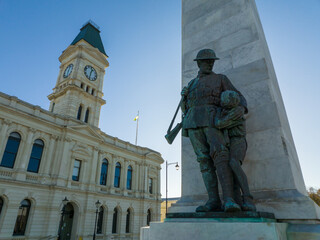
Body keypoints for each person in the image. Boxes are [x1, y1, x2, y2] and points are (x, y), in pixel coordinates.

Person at [181, 49, 248, 212]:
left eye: (212, 61)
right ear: (198, 63)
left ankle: (229, 199)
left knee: (221, 157)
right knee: (204, 161)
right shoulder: (191, 84)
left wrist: (242, 108)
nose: (210, 63)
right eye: (206, 61)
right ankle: (213, 200)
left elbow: (239, 97)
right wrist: (184, 98)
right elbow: (185, 109)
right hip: (193, 123)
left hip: (213, 120)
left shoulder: (221, 79)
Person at [215, 90, 256, 211]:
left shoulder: (237, 111)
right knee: (230, 168)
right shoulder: (226, 111)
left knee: (234, 163)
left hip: (238, 141)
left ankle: (248, 198)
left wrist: (219, 116)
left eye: (224, 100)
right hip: (230, 142)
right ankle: (237, 198)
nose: (222, 102)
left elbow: (219, 124)